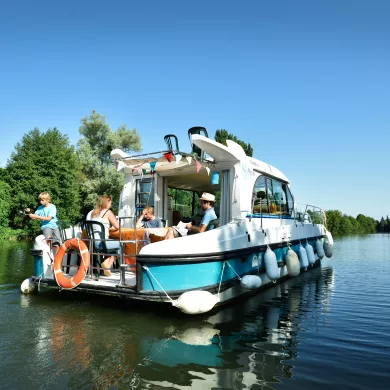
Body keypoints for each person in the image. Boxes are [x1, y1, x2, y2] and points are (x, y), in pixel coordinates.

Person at [86, 194, 120, 276]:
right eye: (110, 202)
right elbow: (118, 227)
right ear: (107, 202)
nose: (111, 204)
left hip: (92, 243)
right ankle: (107, 264)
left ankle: (104, 264)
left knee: (112, 245)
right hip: (102, 243)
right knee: (121, 243)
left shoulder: (93, 213)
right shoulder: (108, 212)